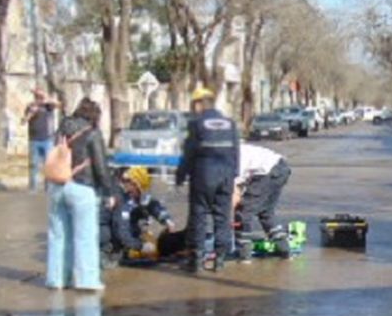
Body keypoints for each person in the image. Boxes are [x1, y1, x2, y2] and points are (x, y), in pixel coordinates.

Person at [45, 97, 115, 293]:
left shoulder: (62, 129)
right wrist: (108, 192)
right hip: (82, 186)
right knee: (85, 236)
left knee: (58, 235)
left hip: (57, 184)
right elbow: (101, 167)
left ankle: (56, 279)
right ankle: (86, 280)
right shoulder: (92, 133)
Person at [175, 85, 239, 272]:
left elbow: (189, 154)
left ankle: (197, 259)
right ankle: (219, 259)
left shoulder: (197, 124)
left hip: (204, 175)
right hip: (226, 175)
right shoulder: (230, 123)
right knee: (222, 216)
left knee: (199, 215)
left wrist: (180, 177)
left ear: (199, 104)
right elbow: (236, 152)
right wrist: (234, 175)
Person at [232, 141, 293, 260]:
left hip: (268, 172)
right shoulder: (236, 150)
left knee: (243, 213)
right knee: (266, 213)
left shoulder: (230, 160)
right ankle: (285, 250)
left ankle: (244, 254)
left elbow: (235, 194)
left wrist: (227, 216)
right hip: (281, 168)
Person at [108, 166, 185, 260]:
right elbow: (121, 232)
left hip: (134, 236)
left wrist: (167, 220)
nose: (128, 185)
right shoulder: (122, 201)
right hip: (121, 241)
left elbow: (153, 206)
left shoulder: (137, 196)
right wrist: (140, 246)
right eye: (128, 182)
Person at [24, 88, 57, 190]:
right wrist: (31, 113)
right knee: (34, 164)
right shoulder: (30, 106)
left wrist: (45, 97)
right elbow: (24, 120)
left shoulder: (48, 106)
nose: (38, 98)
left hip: (47, 139)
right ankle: (33, 187)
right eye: (36, 96)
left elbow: (57, 103)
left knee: (48, 164)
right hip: (34, 139)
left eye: (39, 96)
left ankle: (49, 187)